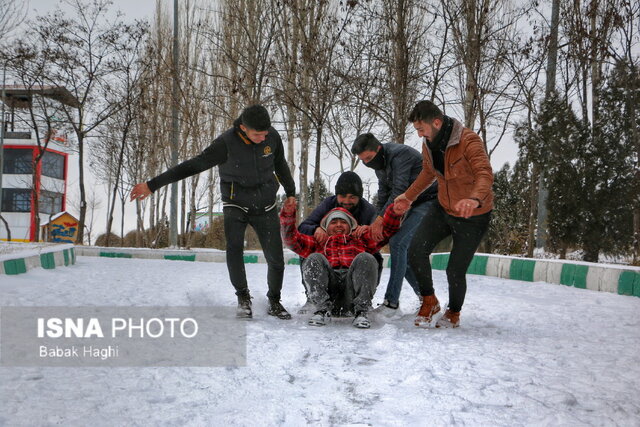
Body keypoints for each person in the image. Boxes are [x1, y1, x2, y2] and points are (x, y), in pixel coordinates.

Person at [130, 105, 296, 320]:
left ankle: (274, 300)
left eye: (266, 133)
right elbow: (193, 165)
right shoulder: (225, 143)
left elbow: (280, 163)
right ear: (244, 128)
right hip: (236, 203)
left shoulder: (271, 136)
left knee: (276, 258)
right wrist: (152, 185)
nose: (264, 137)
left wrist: (291, 192)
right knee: (234, 248)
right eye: (258, 134)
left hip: (265, 204)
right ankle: (243, 299)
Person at [395, 100, 494, 328]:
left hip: (473, 214)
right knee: (415, 250)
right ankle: (429, 300)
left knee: (455, 269)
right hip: (443, 208)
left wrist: (474, 198)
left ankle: (454, 312)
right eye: (417, 130)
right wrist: (408, 196)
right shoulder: (429, 143)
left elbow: (484, 173)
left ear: (437, 122)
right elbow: (428, 173)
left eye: (421, 129)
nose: (420, 134)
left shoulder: (468, 141)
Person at [351, 133, 438, 316]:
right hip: (410, 203)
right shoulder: (380, 164)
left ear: (378, 149)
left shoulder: (400, 155)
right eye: (363, 160)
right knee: (401, 257)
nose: (367, 163)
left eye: (368, 158)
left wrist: (380, 221)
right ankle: (428, 299)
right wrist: (373, 222)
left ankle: (391, 303)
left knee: (398, 243)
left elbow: (399, 190)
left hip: (431, 201)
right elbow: (383, 195)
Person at [280, 202, 403, 328]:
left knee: (366, 258)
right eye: (333, 222)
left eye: (343, 222)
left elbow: (386, 232)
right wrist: (288, 216)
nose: (339, 224)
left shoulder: (361, 239)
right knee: (313, 258)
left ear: (350, 226)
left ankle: (361, 312)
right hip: (329, 295)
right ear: (326, 228)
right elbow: (291, 239)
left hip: (352, 296)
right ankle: (321, 310)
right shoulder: (318, 242)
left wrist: (394, 211)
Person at [296, 171, 382, 314]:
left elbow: (380, 234)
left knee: (373, 256)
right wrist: (315, 228)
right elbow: (303, 227)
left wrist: (370, 229)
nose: (347, 201)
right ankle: (313, 298)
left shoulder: (368, 211)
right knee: (307, 253)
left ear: (359, 197)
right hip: (330, 269)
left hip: (353, 270)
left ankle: (363, 300)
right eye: (342, 196)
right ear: (336, 195)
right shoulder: (327, 204)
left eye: (352, 197)